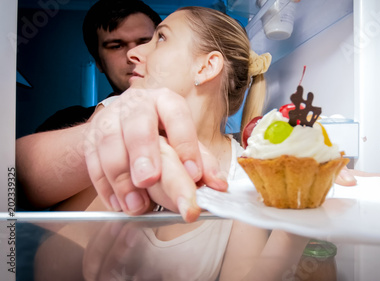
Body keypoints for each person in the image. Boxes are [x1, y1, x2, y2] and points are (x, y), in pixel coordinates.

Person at [33, 7, 311, 280]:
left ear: (205, 67)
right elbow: (48, 270)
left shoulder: (244, 176)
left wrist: (301, 217)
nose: (133, 54)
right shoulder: (123, 140)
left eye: (161, 38)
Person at [35, 0, 162, 133]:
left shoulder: (185, 110)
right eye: (116, 46)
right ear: (99, 62)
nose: (133, 54)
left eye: (145, 43)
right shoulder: (63, 124)